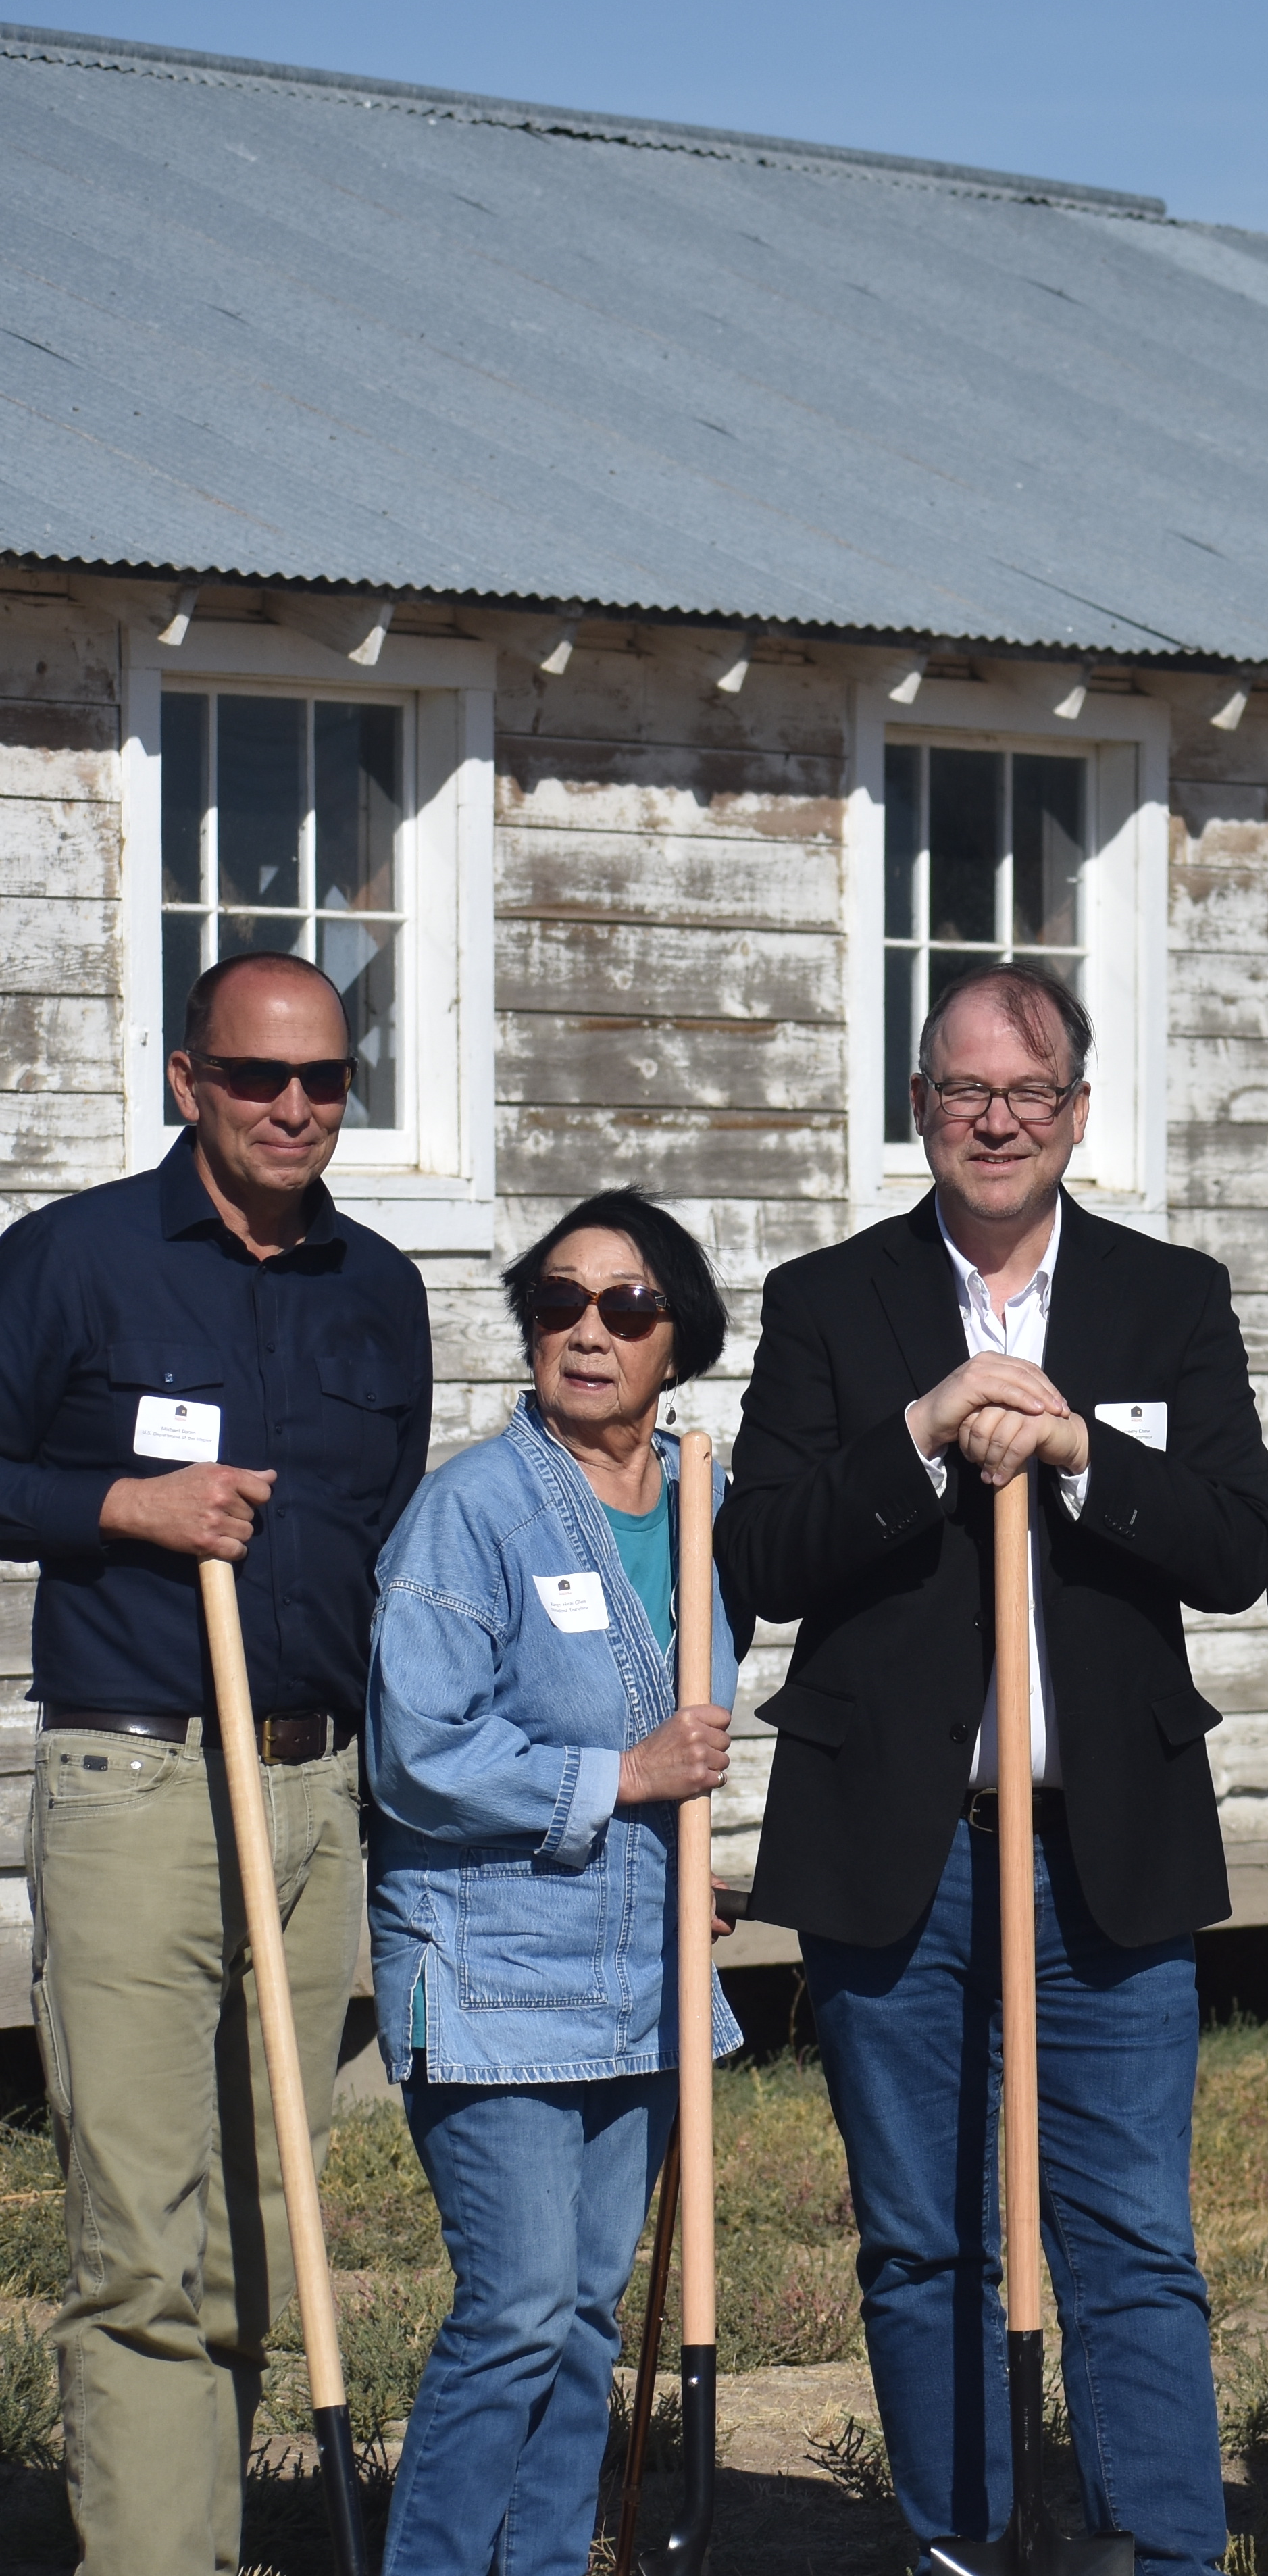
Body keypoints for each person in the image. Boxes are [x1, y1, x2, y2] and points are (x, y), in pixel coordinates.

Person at [719, 959, 1268, 2576]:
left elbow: (1239, 1543)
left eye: (1031, 1092)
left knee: (1130, 2238)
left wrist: (1086, 1449)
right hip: (903, 1847)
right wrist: (919, 1428)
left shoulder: (1170, 1297)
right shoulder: (833, 1301)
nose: (998, 1117)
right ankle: (961, 2542)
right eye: (966, 1089)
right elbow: (762, 1547)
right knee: (922, 2238)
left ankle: (1154, 2548)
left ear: (1079, 1116)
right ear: (920, 1106)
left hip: (1104, 1844)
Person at [0, 951, 434, 2576]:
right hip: (139, 1785)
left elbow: (386, 1530)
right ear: (188, 1079)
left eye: (324, 1077)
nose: (296, 1106)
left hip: (314, 1789)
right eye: (259, 1077)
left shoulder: (377, 1288)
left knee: (271, 2219)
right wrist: (124, 1506)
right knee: (144, 2234)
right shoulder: (73, 1263)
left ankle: (214, 2524)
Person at [365, 1188, 745, 2576]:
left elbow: (690, 1717)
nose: (590, 1329)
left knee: (588, 2308)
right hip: (493, 1963)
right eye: (560, 1301)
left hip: (634, 1960)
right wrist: (623, 1781)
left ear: (678, 1336)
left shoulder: (706, 1501)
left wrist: (681, 1865)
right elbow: (420, 1750)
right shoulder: (470, 1509)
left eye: (628, 1305)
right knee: (519, 2303)